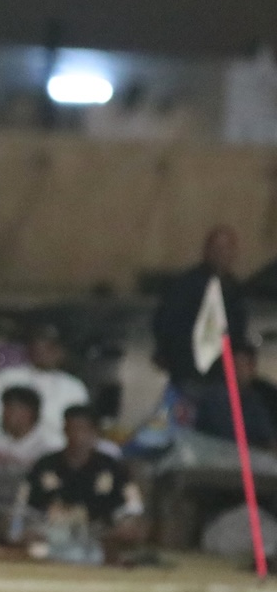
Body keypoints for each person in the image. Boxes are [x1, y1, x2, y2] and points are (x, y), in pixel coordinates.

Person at [22, 404, 148, 566]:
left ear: (95, 433)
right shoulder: (45, 465)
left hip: (98, 535)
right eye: (71, 429)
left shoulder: (112, 467)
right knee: (29, 540)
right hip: (53, 533)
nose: (77, 436)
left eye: (83, 430)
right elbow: (26, 506)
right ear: (64, 430)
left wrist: (124, 526)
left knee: (129, 532)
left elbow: (132, 507)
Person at [152, 225, 249, 395]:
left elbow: (238, 329)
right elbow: (168, 323)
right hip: (190, 372)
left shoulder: (234, 289)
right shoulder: (187, 286)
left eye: (227, 249)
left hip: (220, 375)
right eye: (217, 249)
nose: (222, 254)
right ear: (207, 251)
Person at [0, 324, 90, 452]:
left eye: (51, 346)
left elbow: (80, 427)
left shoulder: (74, 386)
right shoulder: (4, 378)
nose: (43, 350)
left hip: (57, 454)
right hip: (4, 451)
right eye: (40, 343)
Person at [0, 386, 52, 538]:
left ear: (30, 413)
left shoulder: (46, 445)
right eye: (6, 408)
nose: (7, 414)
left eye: (14, 409)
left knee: (15, 524)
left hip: (30, 510)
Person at [196, 342, 277, 449]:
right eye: (236, 366)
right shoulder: (214, 399)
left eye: (244, 366)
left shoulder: (255, 398)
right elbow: (226, 438)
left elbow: (266, 436)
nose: (239, 371)